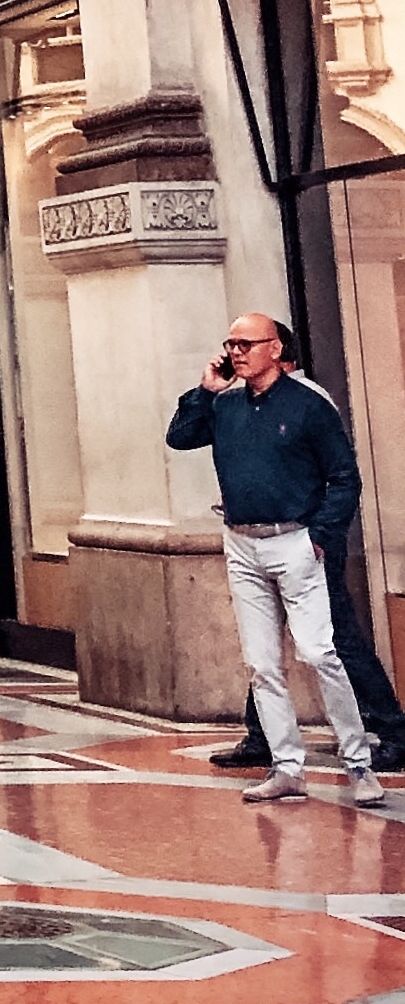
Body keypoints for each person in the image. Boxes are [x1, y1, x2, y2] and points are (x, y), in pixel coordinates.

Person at [168, 314, 385, 804]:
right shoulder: (224, 406)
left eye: (247, 343)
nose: (237, 351)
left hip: (296, 540)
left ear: (274, 348)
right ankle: (287, 767)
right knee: (262, 664)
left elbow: (344, 477)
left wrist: (322, 536)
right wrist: (205, 390)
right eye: (231, 343)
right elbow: (179, 436)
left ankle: (359, 765)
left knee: (319, 653)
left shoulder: (308, 405)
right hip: (242, 542)